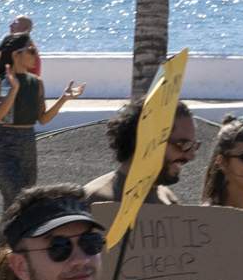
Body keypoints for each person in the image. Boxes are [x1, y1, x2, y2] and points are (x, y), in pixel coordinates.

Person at [0, 30, 75, 208]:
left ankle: (10, 236)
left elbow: (43, 119)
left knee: (24, 204)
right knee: (17, 200)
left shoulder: (36, 82)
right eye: (30, 50)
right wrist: (13, 90)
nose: (35, 54)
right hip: (5, 146)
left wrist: (64, 99)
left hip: (28, 145)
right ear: (16, 55)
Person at [84, 90, 197, 221]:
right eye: (183, 144)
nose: (191, 156)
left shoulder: (168, 199)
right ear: (147, 140)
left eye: (193, 146)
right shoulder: (93, 202)